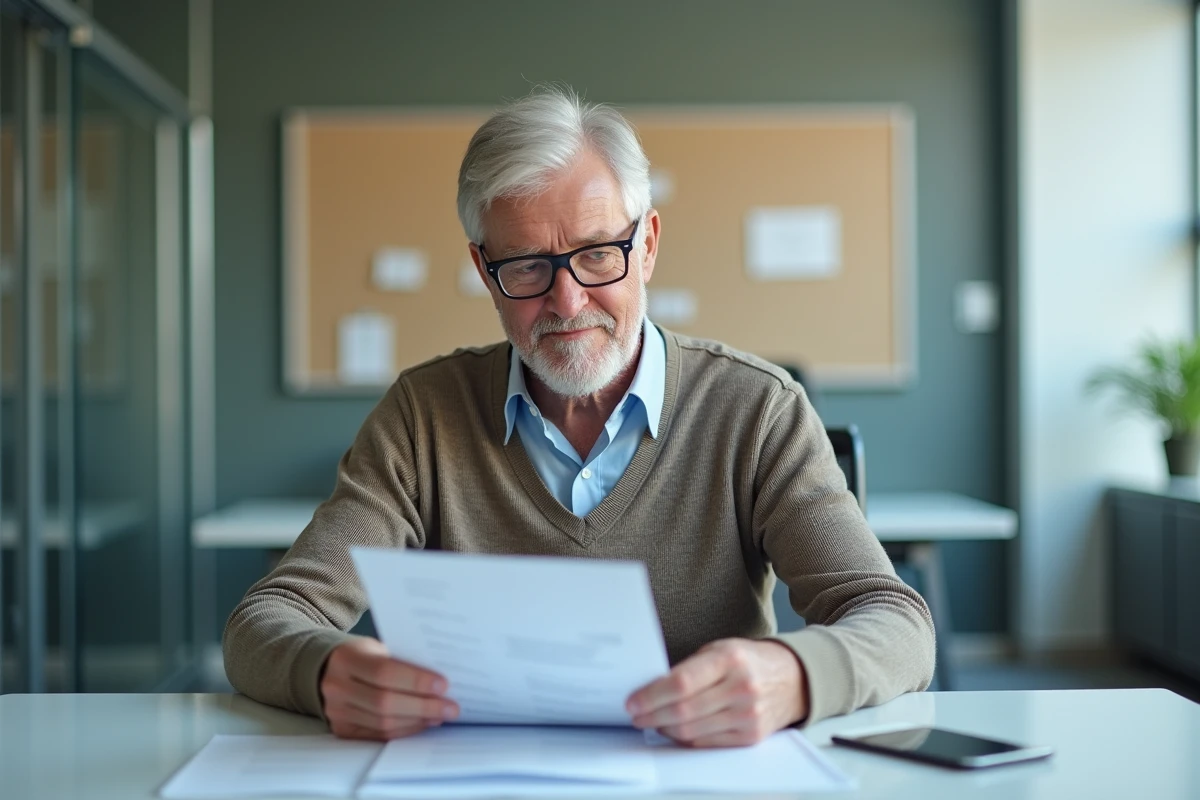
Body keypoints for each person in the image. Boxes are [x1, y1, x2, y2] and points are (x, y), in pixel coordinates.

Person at [224, 85, 935, 748]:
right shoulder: (423, 415)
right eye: (528, 268)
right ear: (483, 271)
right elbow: (265, 621)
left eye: (598, 254)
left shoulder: (756, 409)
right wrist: (325, 671)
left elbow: (897, 621)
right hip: (476, 777)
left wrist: (796, 676)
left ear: (648, 244)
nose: (567, 303)